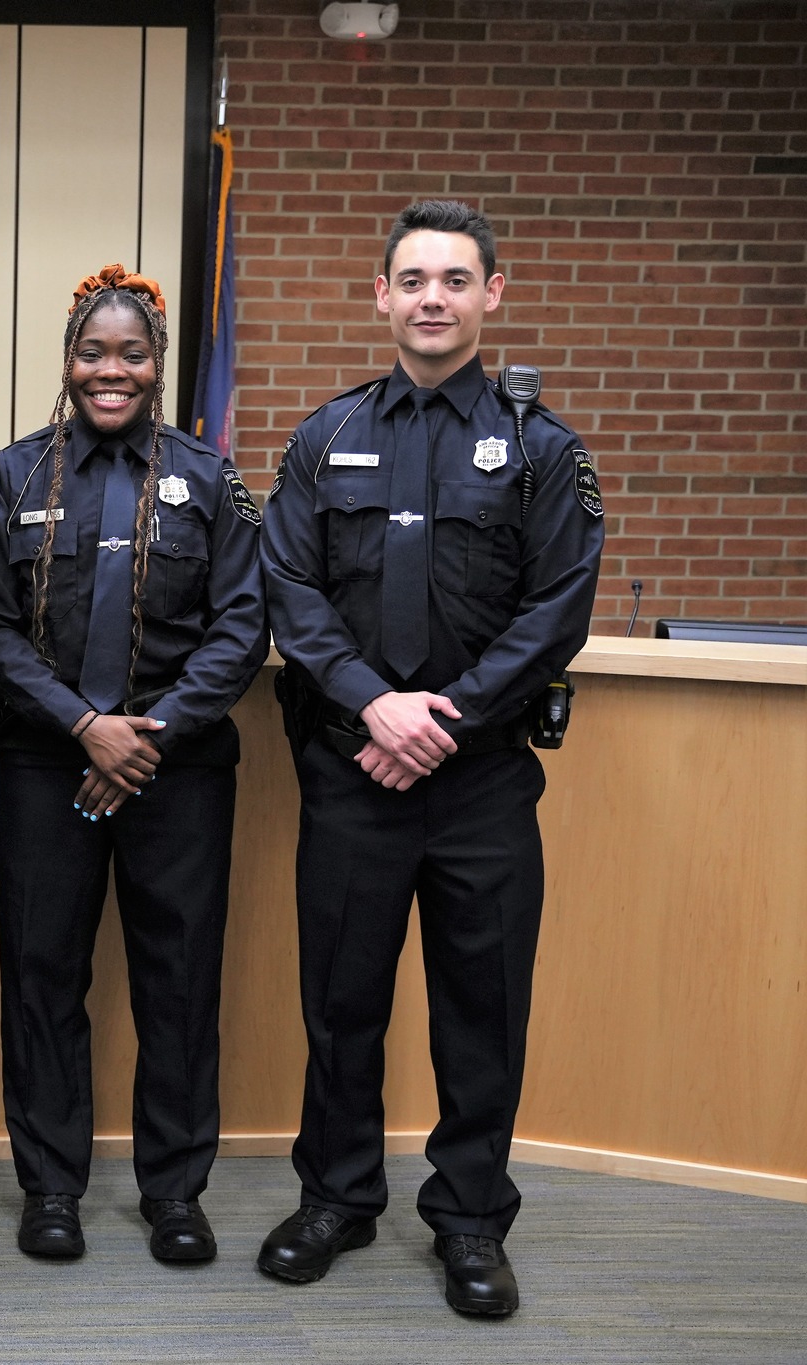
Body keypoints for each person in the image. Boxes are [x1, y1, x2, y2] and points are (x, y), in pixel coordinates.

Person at [258, 199, 604, 1316]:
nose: (431, 299)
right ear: (380, 296)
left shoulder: (542, 450)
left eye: (454, 280)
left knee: (479, 1006)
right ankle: (337, 1200)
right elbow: (290, 593)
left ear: (490, 296)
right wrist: (373, 709)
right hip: (352, 773)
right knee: (340, 1003)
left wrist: (439, 718)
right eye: (411, 280)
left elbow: (556, 607)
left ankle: (467, 1220)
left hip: (481, 782)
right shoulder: (323, 439)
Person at [0, 267, 267, 1263]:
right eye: (91, 352)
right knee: (40, 977)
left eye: (129, 353)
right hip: (43, 772)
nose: (109, 369)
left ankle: (172, 1195)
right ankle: (49, 1188)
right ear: (67, 361)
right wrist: (81, 728)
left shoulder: (207, 480)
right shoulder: (10, 477)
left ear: (155, 365)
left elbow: (239, 628)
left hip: (175, 778)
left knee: (175, 984)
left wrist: (145, 736)